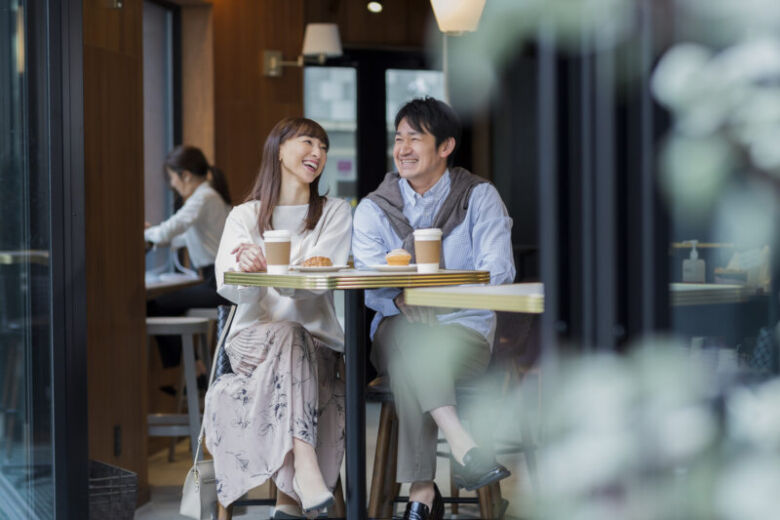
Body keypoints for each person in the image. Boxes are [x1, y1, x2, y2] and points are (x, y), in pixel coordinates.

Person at [352, 97, 515, 520]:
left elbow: (499, 272)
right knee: (411, 336)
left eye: (415, 138)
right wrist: (399, 297)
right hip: (392, 332)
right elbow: (369, 285)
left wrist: (435, 298)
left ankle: (422, 490)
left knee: (415, 354)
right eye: (399, 138)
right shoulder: (374, 208)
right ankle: (463, 445)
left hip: (465, 334)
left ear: (445, 147)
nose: (403, 148)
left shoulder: (478, 197)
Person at [204, 118, 352, 520]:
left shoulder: (335, 213)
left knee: (295, 335)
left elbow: (319, 284)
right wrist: (250, 276)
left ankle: (287, 506)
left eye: (323, 146)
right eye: (307, 142)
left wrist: (267, 268)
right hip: (252, 343)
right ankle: (304, 472)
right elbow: (229, 287)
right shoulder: (243, 216)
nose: (317, 153)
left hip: (318, 346)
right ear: (279, 150)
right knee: (288, 332)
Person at [146, 145, 233, 370]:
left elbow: (171, 229)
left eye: (172, 178)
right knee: (165, 305)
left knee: (155, 306)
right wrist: (153, 234)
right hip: (217, 280)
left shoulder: (203, 197)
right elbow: (181, 237)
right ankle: (195, 371)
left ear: (184, 175)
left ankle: (192, 372)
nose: (172, 185)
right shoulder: (210, 196)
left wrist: (144, 233)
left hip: (217, 283)